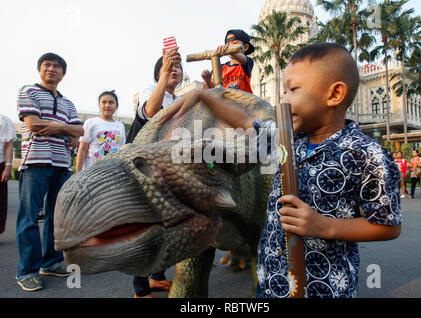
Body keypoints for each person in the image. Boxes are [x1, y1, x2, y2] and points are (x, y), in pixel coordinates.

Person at [160, 43, 402, 298]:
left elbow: (388, 226)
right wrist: (204, 97)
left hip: (325, 289)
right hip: (272, 284)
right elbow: (245, 122)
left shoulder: (366, 154)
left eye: (293, 90)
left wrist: (325, 226)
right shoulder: (285, 139)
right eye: (284, 91)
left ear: (335, 94)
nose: (283, 99)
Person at [16, 53, 84, 292]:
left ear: (63, 73)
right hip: (35, 162)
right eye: (47, 65)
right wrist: (67, 130)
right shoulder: (28, 92)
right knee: (29, 218)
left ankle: (51, 261)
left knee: (57, 219)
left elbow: (81, 129)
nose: (52, 69)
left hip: (62, 164)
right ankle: (27, 271)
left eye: (57, 66)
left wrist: (58, 127)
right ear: (39, 69)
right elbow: (33, 125)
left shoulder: (68, 103)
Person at [128, 47, 183, 298]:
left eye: (178, 68)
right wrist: (163, 74)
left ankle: (157, 278)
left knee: (167, 225)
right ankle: (140, 290)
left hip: (164, 169)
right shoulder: (149, 90)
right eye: (169, 67)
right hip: (142, 168)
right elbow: (151, 112)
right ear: (159, 73)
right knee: (146, 228)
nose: (175, 71)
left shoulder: (179, 99)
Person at [76, 90, 125, 172]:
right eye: (104, 102)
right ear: (99, 105)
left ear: (117, 106)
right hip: (91, 173)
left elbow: (122, 150)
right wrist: (78, 172)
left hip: (113, 173)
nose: (107, 105)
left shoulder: (120, 126)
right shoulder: (90, 123)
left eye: (111, 102)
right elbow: (83, 149)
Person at [202, 29, 255, 93]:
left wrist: (229, 50)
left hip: (243, 101)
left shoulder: (247, 63)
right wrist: (208, 82)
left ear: (245, 47)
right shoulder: (221, 68)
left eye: (234, 43)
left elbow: (243, 59)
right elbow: (216, 89)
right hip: (225, 100)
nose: (230, 46)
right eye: (228, 44)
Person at [0, 114, 16, 235]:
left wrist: (8, 166)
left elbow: (9, 145)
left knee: (0, 202)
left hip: (0, 163)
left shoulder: (3, 119)